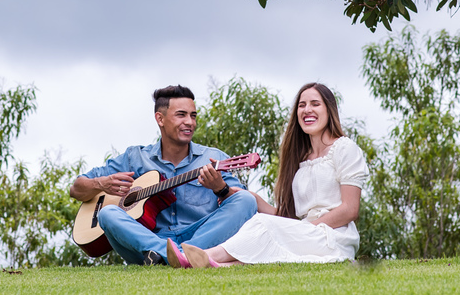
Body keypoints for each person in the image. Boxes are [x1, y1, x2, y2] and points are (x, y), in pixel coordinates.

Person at [166, 82, 368, 268]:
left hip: (332, 237)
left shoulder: (344, 148)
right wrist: (248, 197)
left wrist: (306, 229)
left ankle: (201, 255)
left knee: (262, 225)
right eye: (302, 105)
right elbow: (286, 217)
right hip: (306, 235)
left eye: (315, 104)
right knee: (259, 234)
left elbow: (350, 209)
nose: (307, 110)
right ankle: (217, 266)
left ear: (329, 110)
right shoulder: (300, 159)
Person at [69, 85, 257, 265]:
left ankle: (178, 256)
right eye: (181, 115)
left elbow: (240, 204)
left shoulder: (214, 158)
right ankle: (179, 257)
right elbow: (76, 189)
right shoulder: (135, 158)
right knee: (107, 213)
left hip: (200, 237)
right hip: (146, 243)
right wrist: (101, 184)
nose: (190, 122)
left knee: (247, 200)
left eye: (193, 116)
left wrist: (221, 189)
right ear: (160, 119)